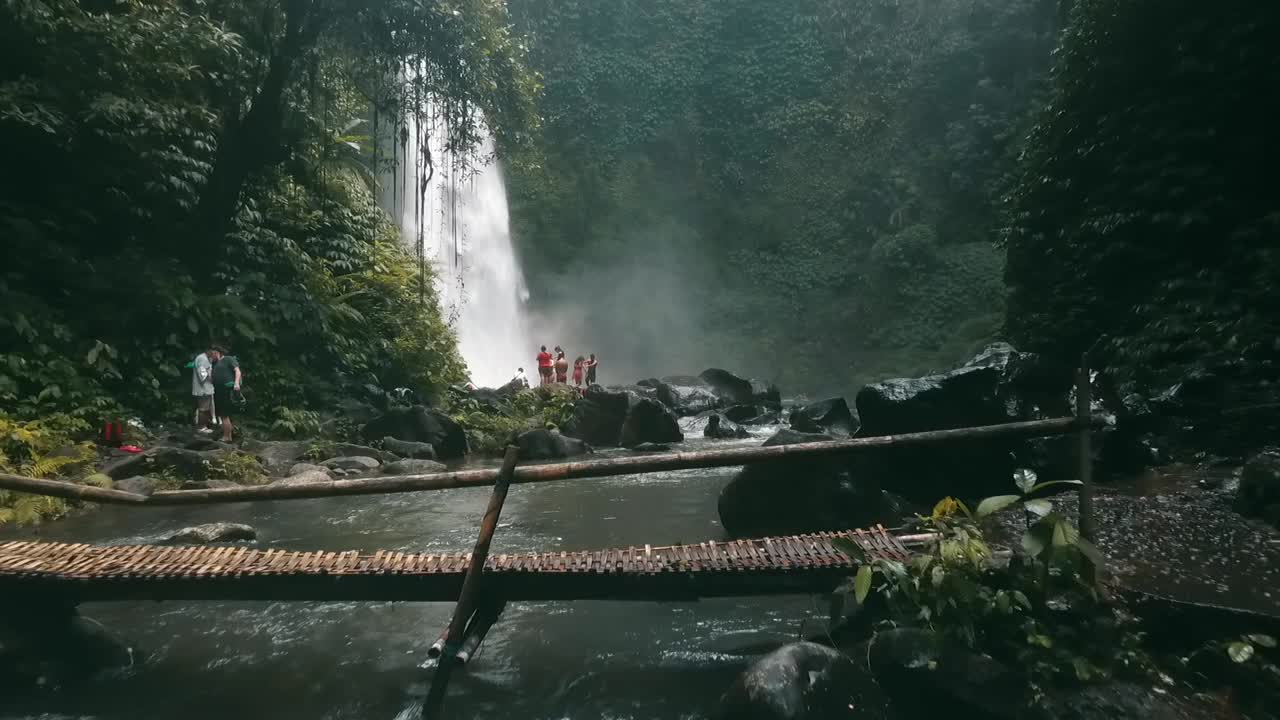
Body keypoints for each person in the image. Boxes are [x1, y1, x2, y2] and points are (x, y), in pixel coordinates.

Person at [209, 345, 242, 442]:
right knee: (221, 414)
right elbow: (211, 379)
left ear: (217, 352)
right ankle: (226, 434)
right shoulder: (215, 364)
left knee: (224, 414)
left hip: (228, 390)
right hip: (218, 391)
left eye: (212, 353)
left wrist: (236, 383)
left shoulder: (228, 359)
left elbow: (237, 371)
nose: (211, 356)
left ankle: (227, 436)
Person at [191, 346, 215, 434]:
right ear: (208, 350)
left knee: (205, 408)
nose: (214, 354)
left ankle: (204, 425)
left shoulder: (205, 359)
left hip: (205, 388)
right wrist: (212, 375)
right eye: (213, 352)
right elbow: (203, 375)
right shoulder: (202, 359)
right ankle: (201, 427)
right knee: (203, 409)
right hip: (203, 389)